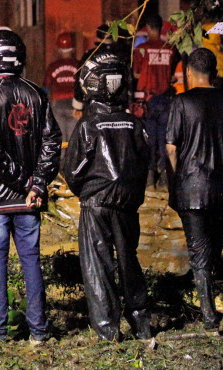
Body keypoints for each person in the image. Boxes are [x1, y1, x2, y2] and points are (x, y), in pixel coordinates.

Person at [0, 28, 62, 345]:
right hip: (29, 199)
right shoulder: (37, 94)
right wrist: (37, 184)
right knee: (31, 262)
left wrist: (26, 183)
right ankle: (39, 332)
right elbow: (52, 142)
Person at [62, 49, 152, 342]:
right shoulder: (134, 124)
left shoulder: (88, 125)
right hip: (126, 203)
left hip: (96, 204)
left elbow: (72, 170)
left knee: (97, 266)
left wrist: (89, 193)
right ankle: (141, 324)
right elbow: (144, 163)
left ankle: (107, 330)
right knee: (129, 262)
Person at [165, 47, 223, 333]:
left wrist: (173, 186)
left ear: (188, 73)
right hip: (222, 187)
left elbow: (171, 149)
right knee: (212, 246)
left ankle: (210, 318)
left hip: (192, 187)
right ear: (215, 73)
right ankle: (215, 299)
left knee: (199, 252)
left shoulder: (181, 102)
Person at [133, 14, 178, 187]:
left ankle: (150, 177)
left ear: (149, 28)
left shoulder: (142, 49)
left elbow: (136, 74)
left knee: (150, 139)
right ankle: (165, 176)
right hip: (166, 98)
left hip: (149, 99)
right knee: (164, 138)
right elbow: (170, 73)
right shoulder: (170, 49)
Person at [44, 32, 79, 141]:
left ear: (59, 49)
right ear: (73, 49)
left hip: (58, 104)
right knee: (73, 138)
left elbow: (46, 87)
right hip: (74, 105)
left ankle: (62, 152)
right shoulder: (78, 65)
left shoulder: (53, 67)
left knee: (61, 138)